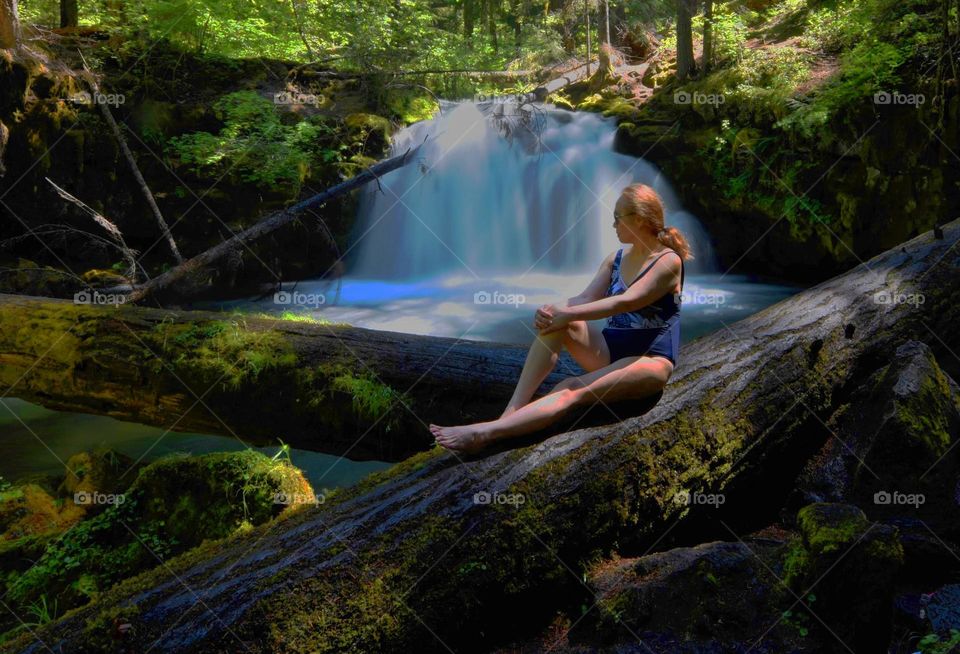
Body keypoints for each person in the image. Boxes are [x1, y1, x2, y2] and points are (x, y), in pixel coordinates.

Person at [430, 183, 694, 454]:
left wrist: (566, 313)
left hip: (649, 361)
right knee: (558, 322)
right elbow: (585, 299)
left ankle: (484, 435)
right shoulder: (614, 259)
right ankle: (511, 412)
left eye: (617, 218)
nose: (612, 224)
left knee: (570, 388)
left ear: (638, 219)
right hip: (609, 351)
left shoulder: (667, 261)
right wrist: (552, 311)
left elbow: (626, 301)